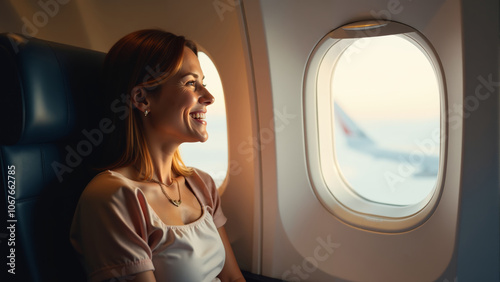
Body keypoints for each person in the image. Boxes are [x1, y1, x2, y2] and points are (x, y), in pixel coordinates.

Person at [70, 29, 245, 282]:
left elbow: (232, 279)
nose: (208, 97)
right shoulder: (113, 198)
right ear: (142, 99)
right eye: (191, 83)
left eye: (203, 83)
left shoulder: (201, 184)